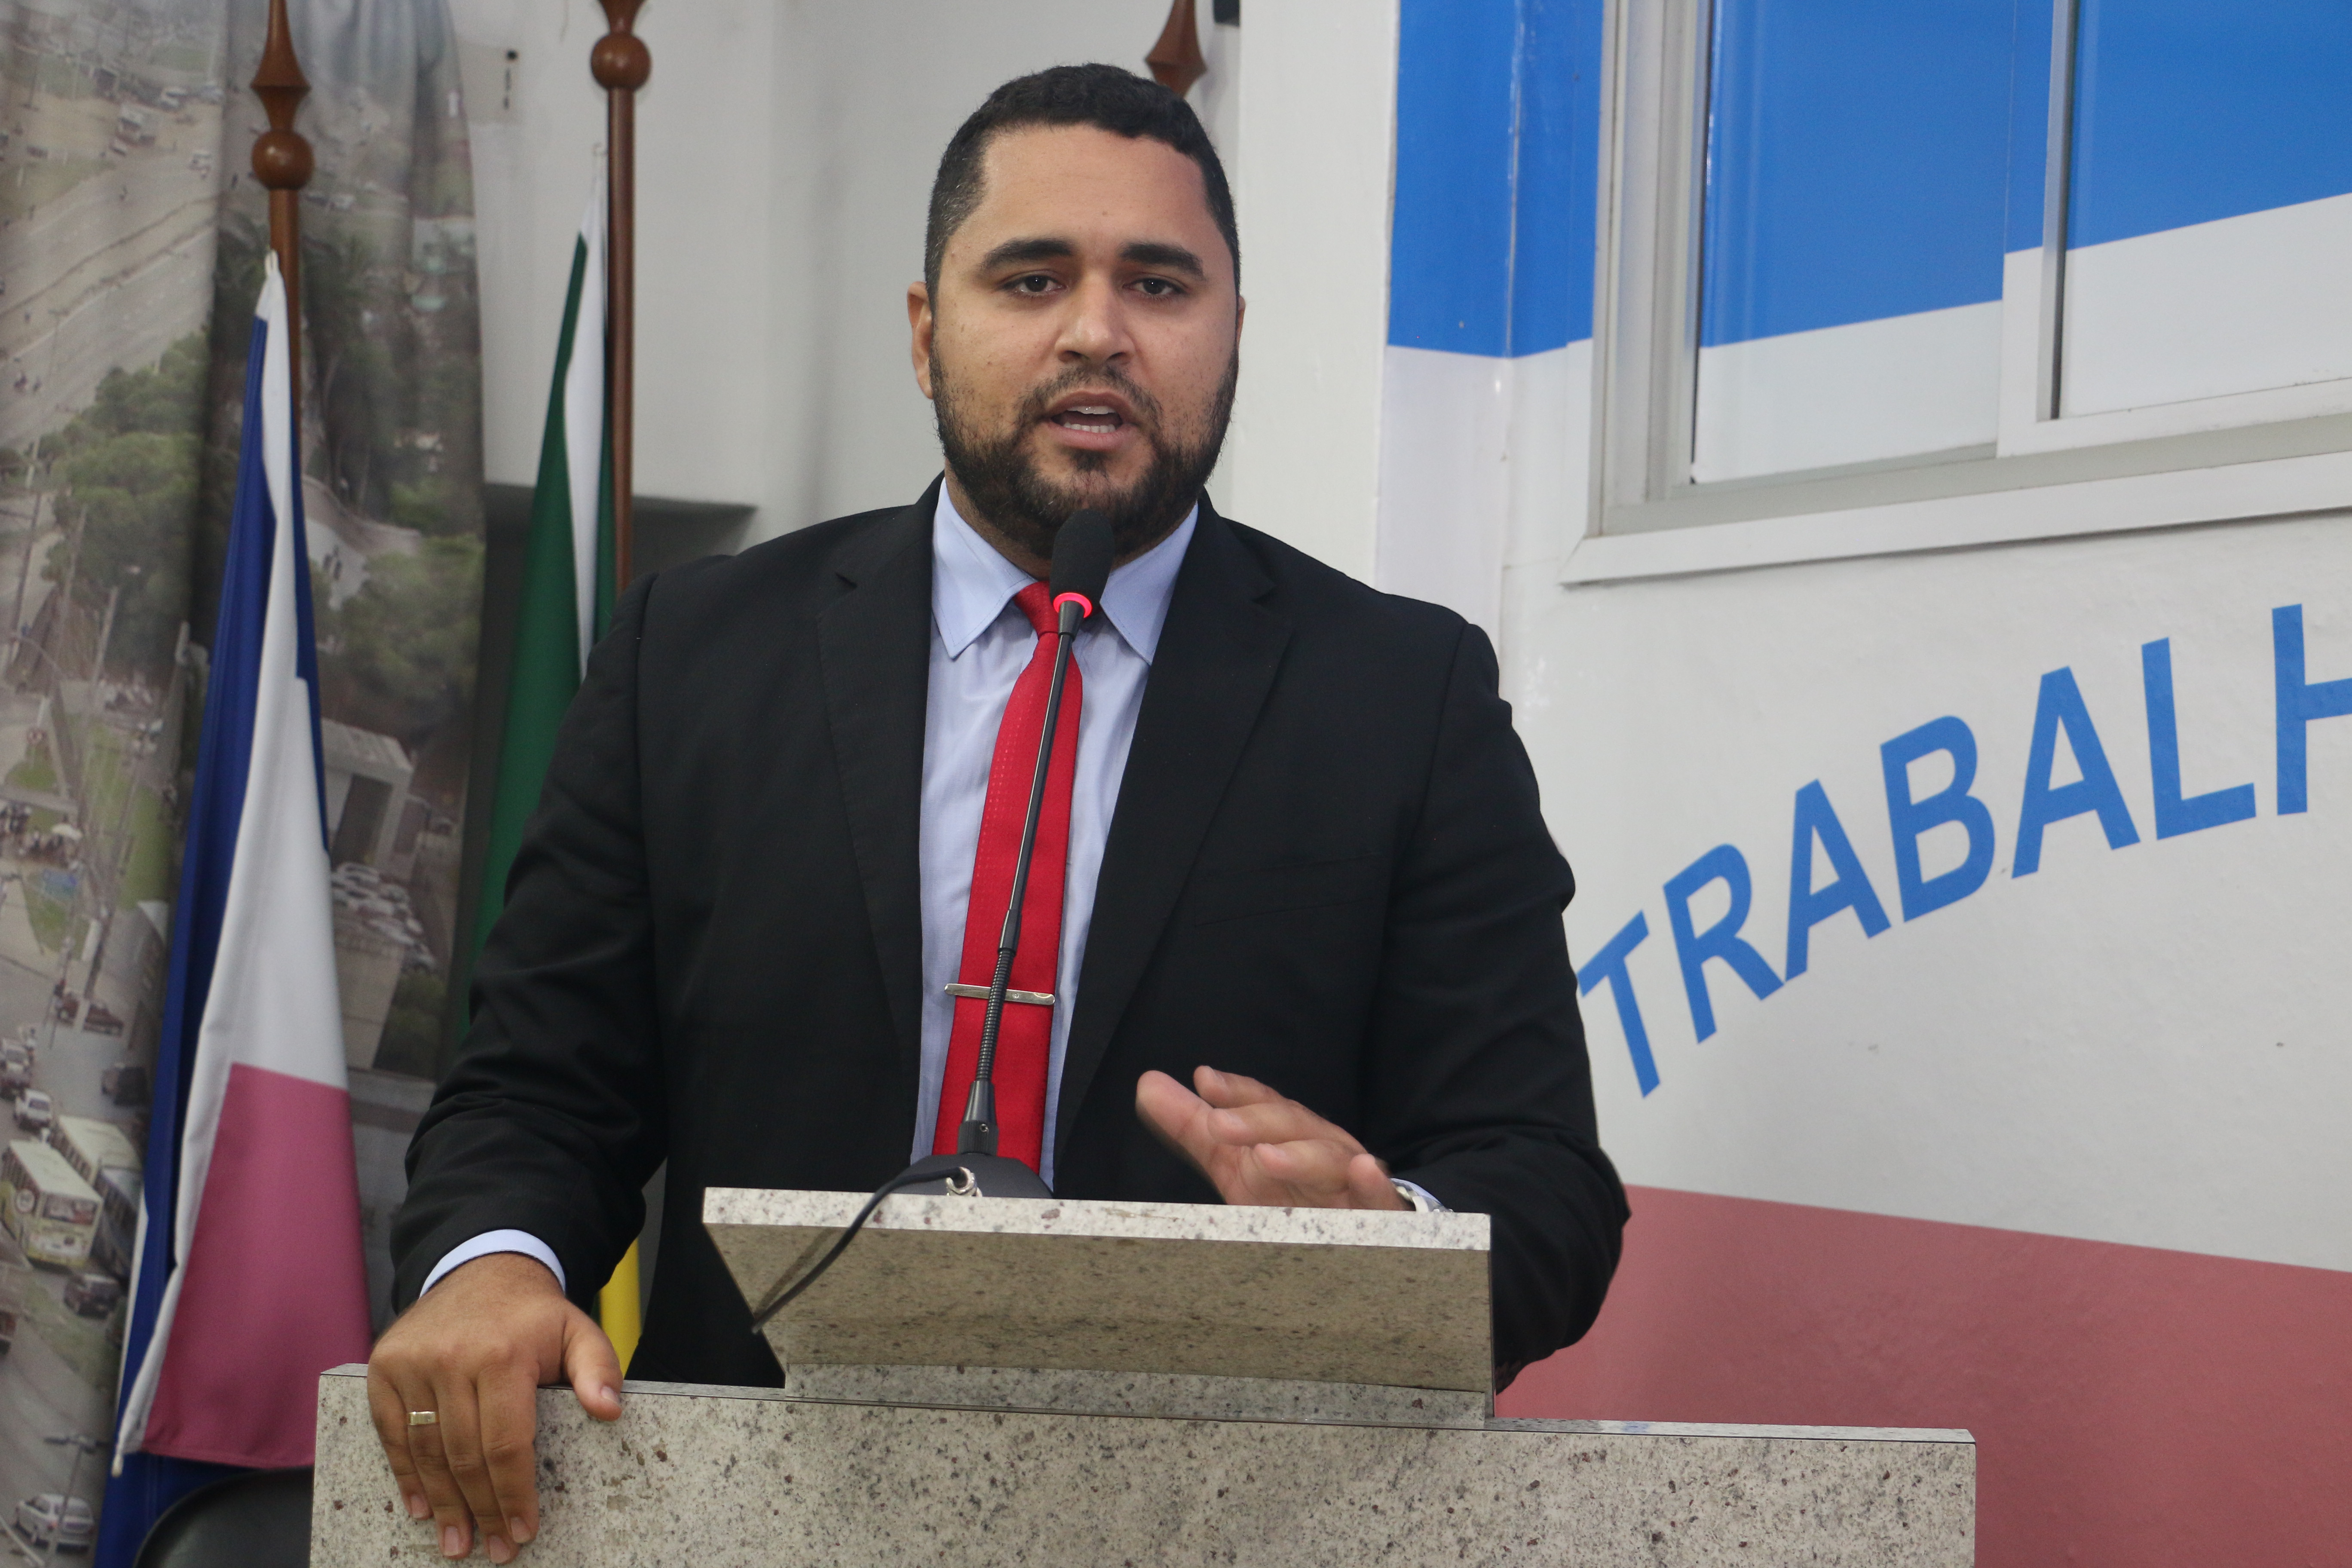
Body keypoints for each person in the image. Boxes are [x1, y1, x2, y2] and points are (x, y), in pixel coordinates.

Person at [371, 64, 1627, 1564]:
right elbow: (534, 1093)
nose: (1096, 331)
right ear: (925, 332)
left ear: (1232, 331)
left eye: (1158, 283)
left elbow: (1542, 1184)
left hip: (1229, 1523)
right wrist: (493, 1266)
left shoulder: (1403, 695)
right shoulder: (694, 657)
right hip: (758, 1511)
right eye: (1032, 279)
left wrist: (1385, 1241)